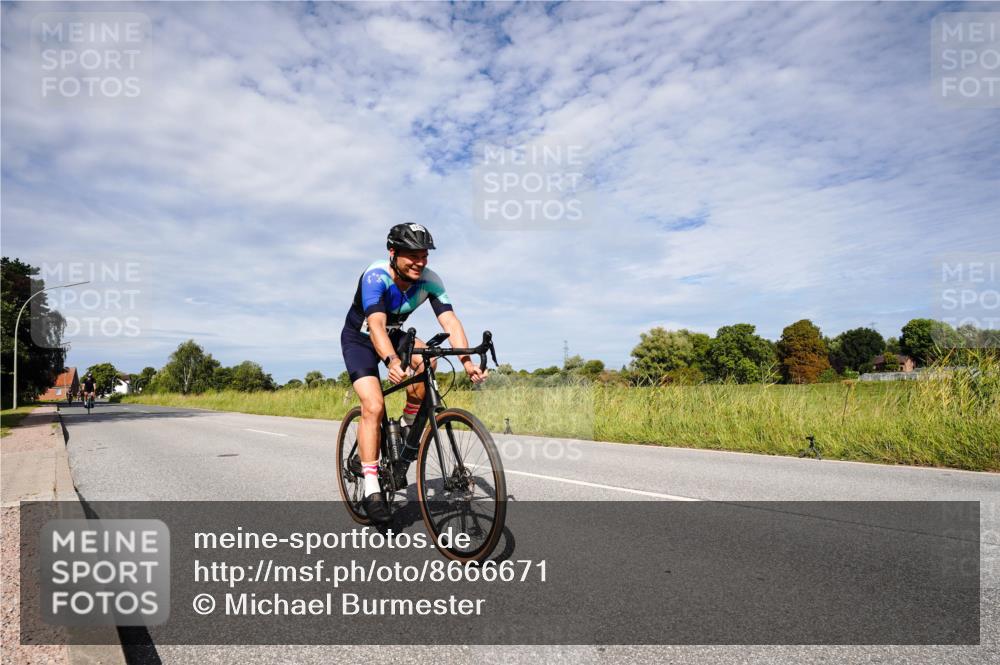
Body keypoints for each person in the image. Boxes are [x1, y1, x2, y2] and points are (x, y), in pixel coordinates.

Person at [341, 223, 487, 524]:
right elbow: (377, 326)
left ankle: (409, 424)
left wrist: (467, 363)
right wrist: (392, 361)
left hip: (394, 335)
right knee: (374, 406)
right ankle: (371, 488)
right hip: (361, 338)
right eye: (412, 256)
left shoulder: (430, 280)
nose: (419, 262)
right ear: (392, 253)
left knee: (428, 362)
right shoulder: (376, 276)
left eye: (424, 255)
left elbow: (452, 323)